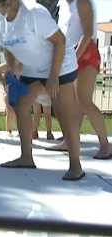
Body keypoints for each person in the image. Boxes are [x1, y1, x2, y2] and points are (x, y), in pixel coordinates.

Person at [0, 0, 83, 180]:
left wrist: (53, 76)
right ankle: (26, 157)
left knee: (63, 112)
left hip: (60, 65)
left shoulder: (33, 13)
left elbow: (60, 41)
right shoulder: (2, 25)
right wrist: (13, 69)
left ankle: (76, 165)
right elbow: (8, 47)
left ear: (6, 2)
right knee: (21, 106)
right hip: (33, 68)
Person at [46, 0, 111, 159]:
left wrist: (74, 58)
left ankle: (105, 145)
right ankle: (69, 141)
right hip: (72, 54)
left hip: (85, 53)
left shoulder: (82, 2)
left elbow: (87, 33)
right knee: (73, 104)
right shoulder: (67, 7)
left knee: (84, 101)